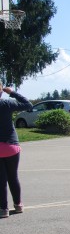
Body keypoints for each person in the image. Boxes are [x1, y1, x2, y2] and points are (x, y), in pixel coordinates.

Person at [0, 84, 32, 219]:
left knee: (1, 180)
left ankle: (3, 209)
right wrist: (12, 92)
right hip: (11, 146)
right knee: (13, 177)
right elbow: (28, 104)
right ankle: (18, 205)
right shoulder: (7, 103)